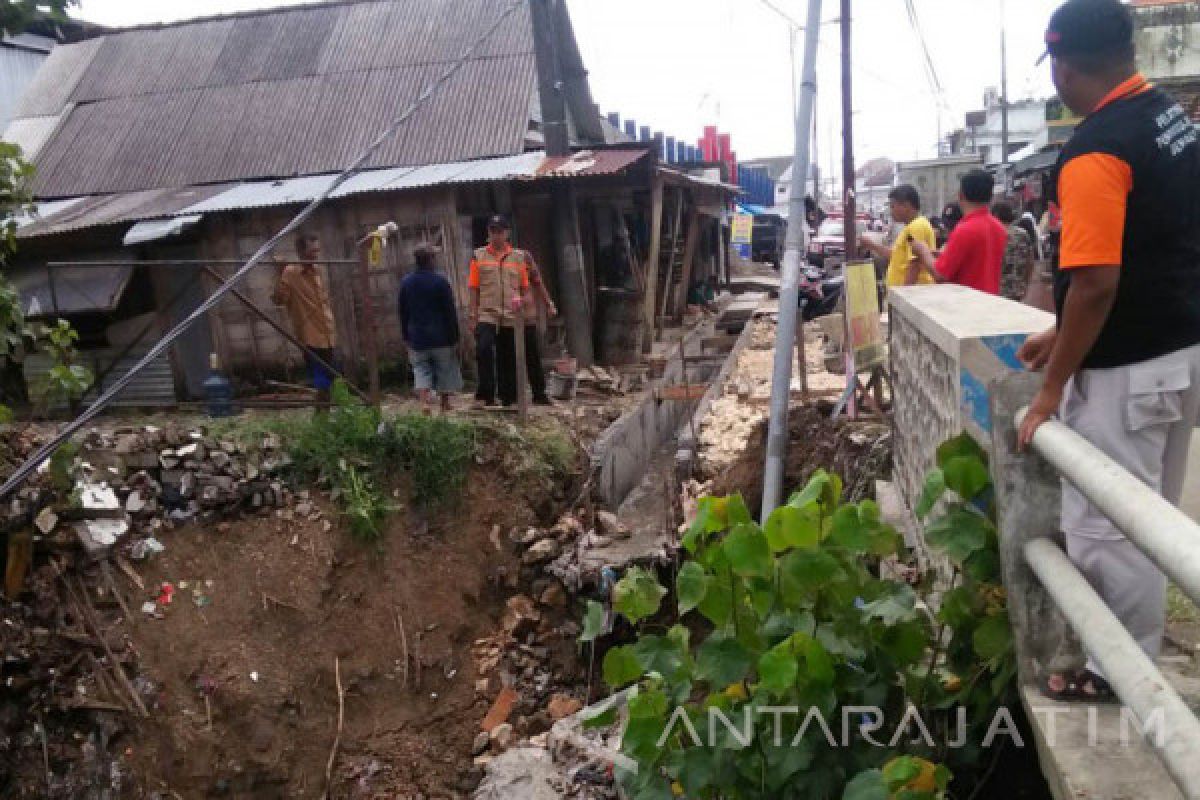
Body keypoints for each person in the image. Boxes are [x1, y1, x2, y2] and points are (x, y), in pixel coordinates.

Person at [1018, 0, 1200, 702]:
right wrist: (1059, 333)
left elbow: (1095, 281)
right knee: (1149, 517)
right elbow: (1151, 246)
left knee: (1106, 528)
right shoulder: (1168, 117)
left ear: (1062, 66)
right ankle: (1138, 661)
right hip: (1178, 351)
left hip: (1128, 371)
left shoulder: (1097, 148)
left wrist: (1051, 386)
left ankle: (1116, 675)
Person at [468, 215, 549, 408]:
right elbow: (473, 287)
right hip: (487, 312)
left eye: (500, 231)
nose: (496, 235)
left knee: (508, 356)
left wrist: (526, 300)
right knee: (483, 349)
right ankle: (485, 395)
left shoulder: (518, 257)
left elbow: (525, 286)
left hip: (510, 314)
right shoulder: (478, 256)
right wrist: (473, 314)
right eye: (493, 231)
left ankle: (508, 397)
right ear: (488, 233)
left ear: (507, 233)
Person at [909, 170, 1007, 293]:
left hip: (965, 304)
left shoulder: (965, 229)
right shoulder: (999, 228)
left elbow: (940, 275)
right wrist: (943, 256)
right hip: (990, 301)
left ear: (960, 195)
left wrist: (923, 251)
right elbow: (977, 263)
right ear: (991, 197)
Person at [273, 234, 338, 402]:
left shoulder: (318, 271)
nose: (316, 255)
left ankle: (323, 416)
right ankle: (321, 418)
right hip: (310, 335)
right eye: (312, 251)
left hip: (327, 333)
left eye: (317, 251)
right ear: (301, 251)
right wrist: (278, 274)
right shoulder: (291, 272)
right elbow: (279, 299)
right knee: (320, 380)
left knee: (331, 379)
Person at [398, 245, 462, 412]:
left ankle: (425, 402)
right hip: (441, 336)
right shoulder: (440, 282)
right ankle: (445, 403)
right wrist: (455, 337)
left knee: (420, 369)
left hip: (417, 337)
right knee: (445, 368)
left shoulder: (406, 283)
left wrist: (405, 335)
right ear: (430, 260)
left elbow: (403, 311)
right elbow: (450, 312)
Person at [860, 184, 937, 288]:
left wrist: (904, 295)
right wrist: (872, 245)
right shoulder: (911, 226)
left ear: (906, 206)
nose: (891, 211)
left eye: (893, 206)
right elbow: (895, 255)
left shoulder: (916, 226)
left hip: (911, 295)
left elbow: (914, 265)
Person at [991, 201, 1035, 302]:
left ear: (996, 215)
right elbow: (1030, 262)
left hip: (998, 290)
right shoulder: (1023, 234)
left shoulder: (994, 234)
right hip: (1017, 290)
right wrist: (1025, 284)